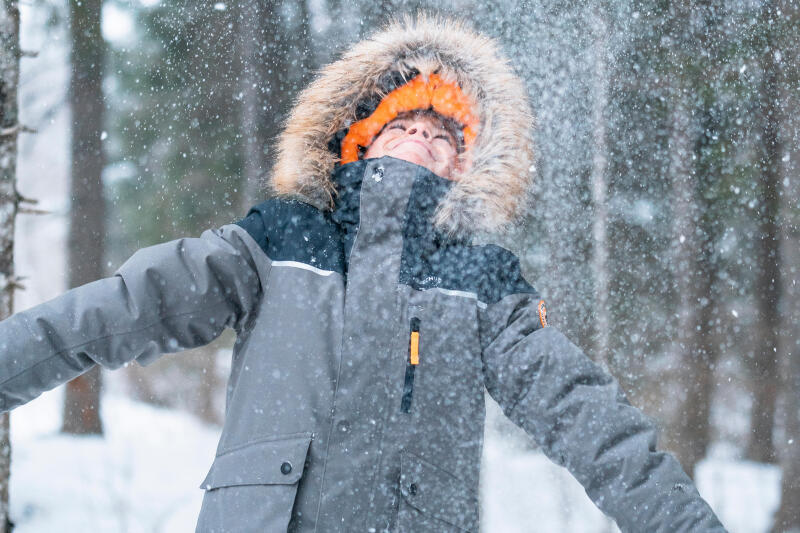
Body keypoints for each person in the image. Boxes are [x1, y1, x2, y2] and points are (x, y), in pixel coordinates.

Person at [0, 14, 727, 533]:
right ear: (355, 143)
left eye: (441, 134)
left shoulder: (483, 280)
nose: (420, 137)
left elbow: (585, 415)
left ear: (465, 166)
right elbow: (125, 307)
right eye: (401, 125)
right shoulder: (279, 239)